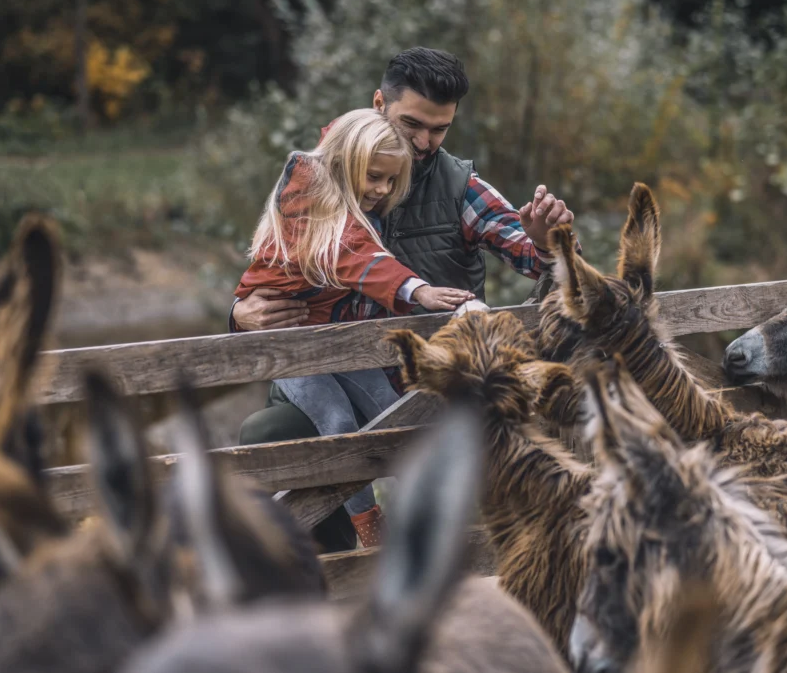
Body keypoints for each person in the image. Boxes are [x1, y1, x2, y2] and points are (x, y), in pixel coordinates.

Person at [230, 47, 581, 551]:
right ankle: (329, 565)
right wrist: (240, 315)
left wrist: (551, 243)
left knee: (475, 444)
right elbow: (272, 268)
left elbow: (533, 256)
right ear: (379, 104)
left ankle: (464, 557)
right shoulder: (323, 178)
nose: (423, 142)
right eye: (412, 124)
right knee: (269, 435)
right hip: (325, 372)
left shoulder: (459, 187)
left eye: (439, 129)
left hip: (421, 384)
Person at [234, 108, 474, 547]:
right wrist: (418, 291)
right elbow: (356, 256)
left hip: (333, 341)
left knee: (392, 408)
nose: (381, 191)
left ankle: (427, 511)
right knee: (338, 419)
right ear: (345, 164)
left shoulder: (347, 192)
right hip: (294, 348)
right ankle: (369, 525)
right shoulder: (311, 207)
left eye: (389, 182)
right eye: (374, 177)